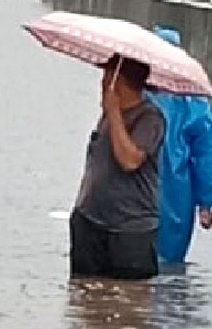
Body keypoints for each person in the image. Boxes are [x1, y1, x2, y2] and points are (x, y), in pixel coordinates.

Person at [70, 55, 166, 280]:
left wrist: (113, 112)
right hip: (90, 222)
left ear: (119, 83)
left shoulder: (150, 118)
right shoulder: (108, 117)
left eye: (107, 78)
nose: (102, 85)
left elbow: (130, 160)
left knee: (129, 302)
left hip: (130, 230)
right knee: (86, 297)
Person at [146, 26, 212, 265]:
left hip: (138, 186)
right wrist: (206, 203)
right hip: (178, 193)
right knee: (170, 259)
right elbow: (205, 158)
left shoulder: (134, 94)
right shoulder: (195, 102)